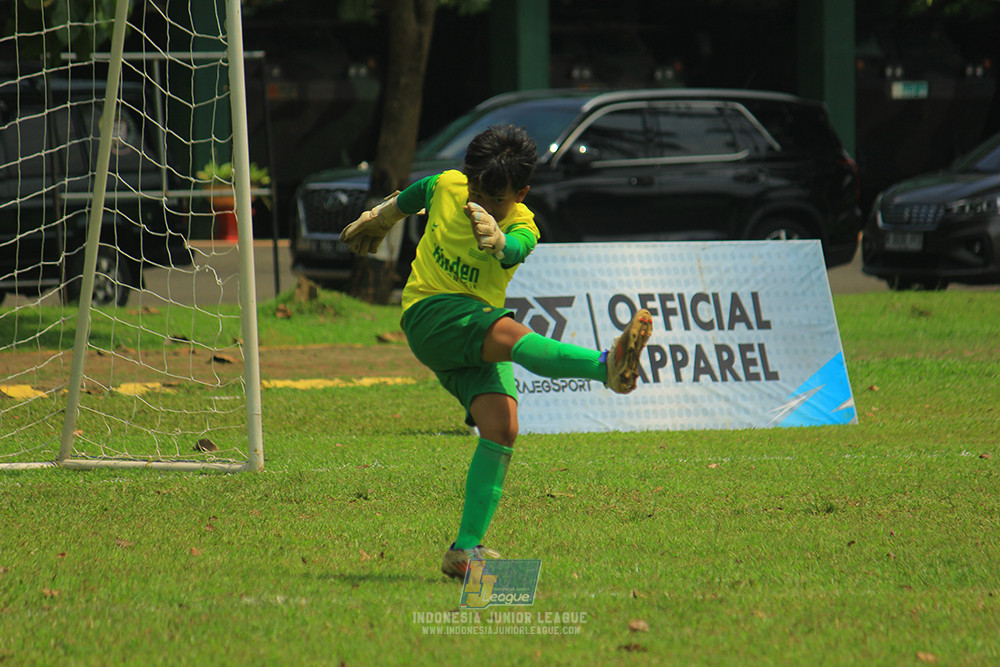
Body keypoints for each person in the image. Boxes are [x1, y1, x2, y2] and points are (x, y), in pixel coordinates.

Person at [340, 124, 653, 579]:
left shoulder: (523, 223)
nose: (481, 205)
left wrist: (502, 240)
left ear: (522, 192)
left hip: (465, 331)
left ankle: (464, 551)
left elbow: (516, 249)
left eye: (497, 200)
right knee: (511, 336)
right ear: (468, 175)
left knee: (502, 427)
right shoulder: (450, 185)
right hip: (429, 312)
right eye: (477, 191)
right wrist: (384, 214)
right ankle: (605, 366)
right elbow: (423, 190)